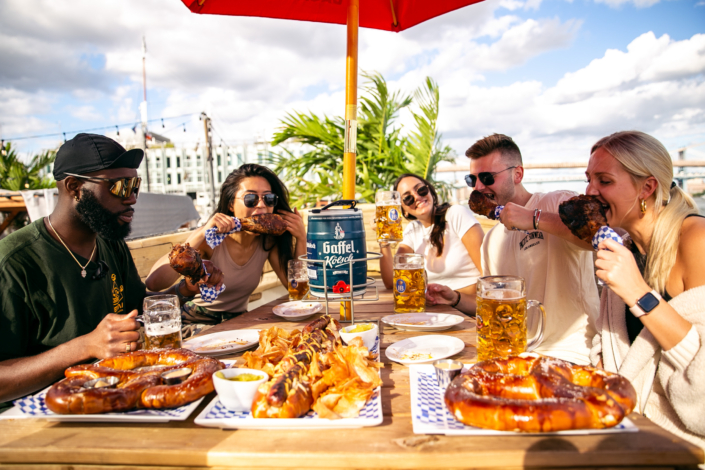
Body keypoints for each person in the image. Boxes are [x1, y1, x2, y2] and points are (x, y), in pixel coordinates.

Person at [0, 134, 221, 406]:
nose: (132, 199)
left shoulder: (110, 244)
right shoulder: (13, 263)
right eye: (120, 187)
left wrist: (186, 288)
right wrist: (83, 347)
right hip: (38, 417)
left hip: (115, 394)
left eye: (135, 186)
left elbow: (136, 307)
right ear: (75, 187)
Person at [428, 134, 598, 365]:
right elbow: (493, 303)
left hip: (570, 353)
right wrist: (455, 298)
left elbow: (595, 239)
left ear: (517, 174)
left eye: (487, 177)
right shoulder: (491, 240)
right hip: (515, 353)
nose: (478, 187)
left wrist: (534, 218)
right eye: (472, 180)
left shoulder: (555, 203)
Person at [585, 131, 705, 450]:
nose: (590, 191)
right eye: (588, 180)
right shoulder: (624, 248)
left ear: (647, 187)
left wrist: (638, 292)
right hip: (626, 419)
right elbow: (610, 344)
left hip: (680, 440)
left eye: (604, 181)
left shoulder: (697, 240)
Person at [146, 164, 306, 334]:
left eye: (269, 199)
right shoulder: (211, 240)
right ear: (230, 205)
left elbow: (295, 289)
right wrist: (201, 234)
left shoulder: (268, 241)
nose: (261, 205)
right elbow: (153, 283)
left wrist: (301, 237)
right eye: (251, 199)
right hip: (196, 320)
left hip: (238, 320)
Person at [379, 174, 484, 300]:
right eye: (408, 198)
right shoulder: (413, 230)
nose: (417, 197)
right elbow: (392, 282)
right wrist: (383, 239)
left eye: (421, 190)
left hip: (466, 308)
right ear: (404, 210)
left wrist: (452, 297)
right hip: (433, 310)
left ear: (430, 192)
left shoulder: (455, 214)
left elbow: (488, 274)